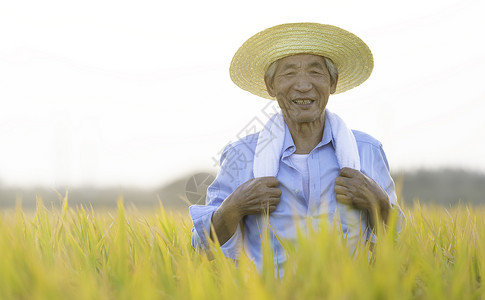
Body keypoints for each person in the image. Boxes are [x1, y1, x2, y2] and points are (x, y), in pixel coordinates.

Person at [189, 22, 405, 273]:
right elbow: (201, 246)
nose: (303, 85)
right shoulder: (241, 155)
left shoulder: (367, 150)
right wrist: (234, 206)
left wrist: (379, 203)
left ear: (333, 83)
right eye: (289, 73)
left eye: (315, 73)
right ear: (271, 86)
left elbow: (400, 245)